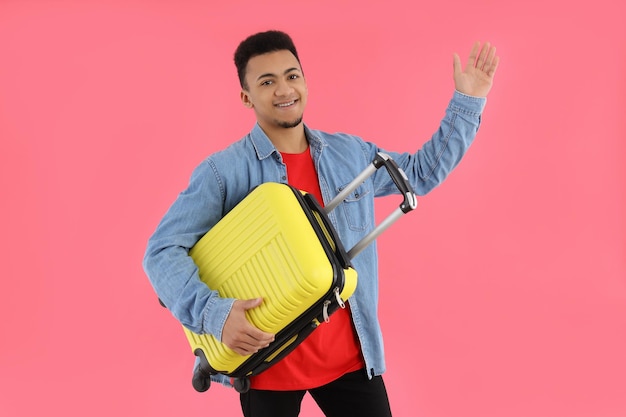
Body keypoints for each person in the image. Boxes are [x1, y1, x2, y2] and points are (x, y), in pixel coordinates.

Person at [143, 30, 499, 417]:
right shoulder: (222, 172)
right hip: (267, 366)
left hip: (350, 360)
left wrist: (469, 101)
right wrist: (216, 314)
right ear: (246, 97)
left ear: (305, 82)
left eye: (292, 76)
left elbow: (419, 173)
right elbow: (161, 252)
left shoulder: (349, 154)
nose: (284, 90)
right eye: (267, 81)